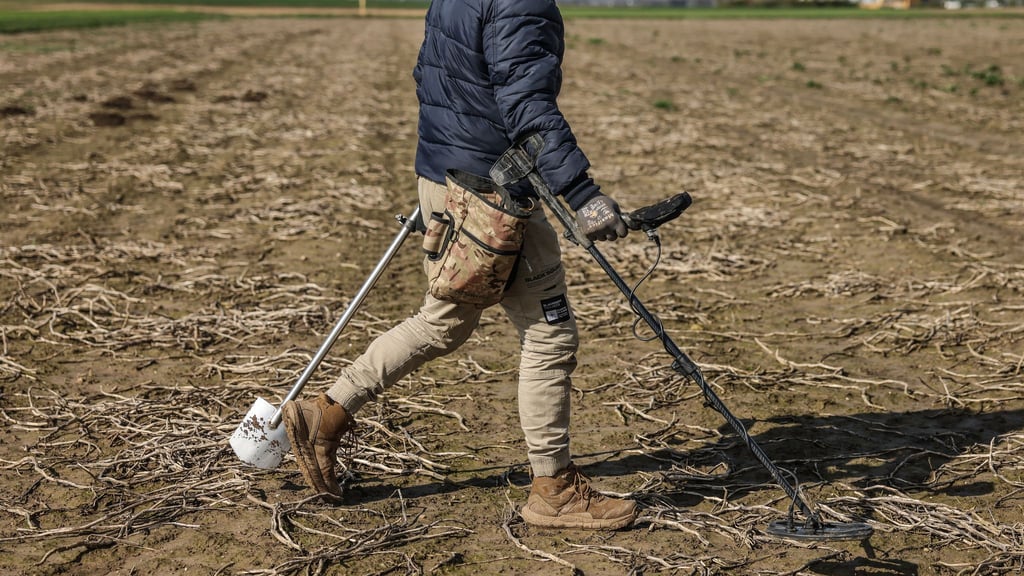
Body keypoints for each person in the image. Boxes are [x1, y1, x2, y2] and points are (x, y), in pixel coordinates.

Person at [282, 0, 636, 530]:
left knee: (444, 321)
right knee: (549, 332)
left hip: (445, 178)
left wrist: (449, 160)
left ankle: (325, 414)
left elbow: (430, 73)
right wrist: (583, 194)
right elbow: (528, 104)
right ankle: (555, 490)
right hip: (492, 193)